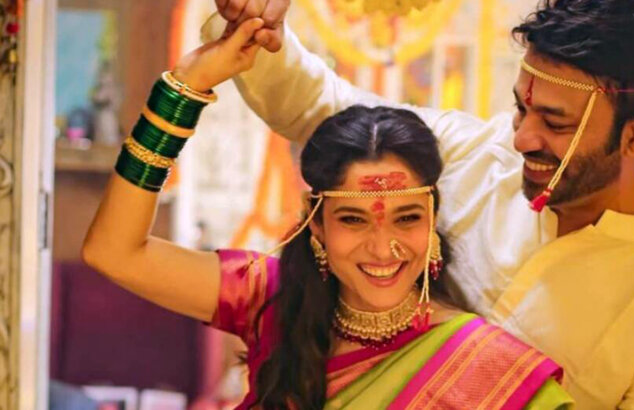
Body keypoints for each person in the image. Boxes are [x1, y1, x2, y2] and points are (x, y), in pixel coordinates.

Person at [201, 0, 634, 407]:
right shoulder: (473, 155)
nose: (522, 138)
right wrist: (256, 29)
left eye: (555, 123)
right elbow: (323, 110)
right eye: (521, 109)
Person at [81, 18, 571, 409]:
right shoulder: (272, 300)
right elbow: (113, 251)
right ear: (316, 224)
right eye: (353, 219)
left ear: (432, 218)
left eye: (406, 218)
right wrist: (185, 88)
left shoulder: (486, 367)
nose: (383, 247)